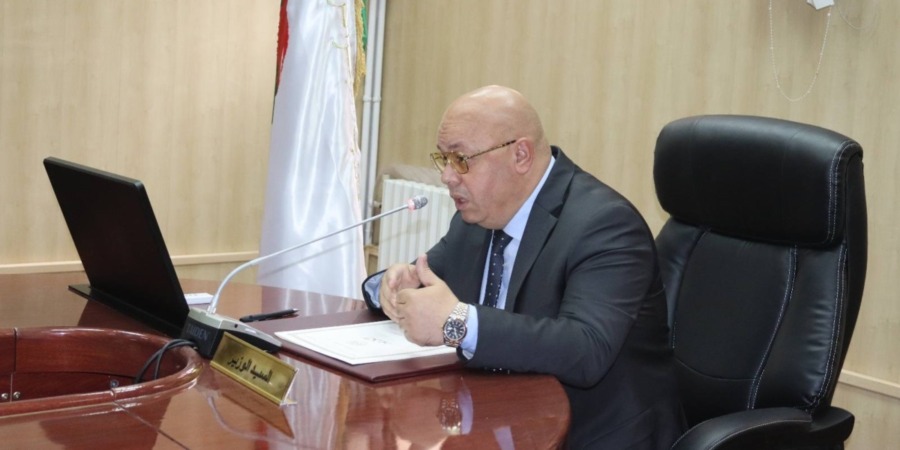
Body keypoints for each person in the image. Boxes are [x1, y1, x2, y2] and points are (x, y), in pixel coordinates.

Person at [362, 85, 685, 449]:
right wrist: (392, 285)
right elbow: (428, 280)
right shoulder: (478, 216)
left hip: (591, 435)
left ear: (520, 155)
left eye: (461, 159)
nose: (447, 176)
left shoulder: (605, 225)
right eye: (444, 159)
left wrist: (457, 322)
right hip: (501, 418)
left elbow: (585, 349)